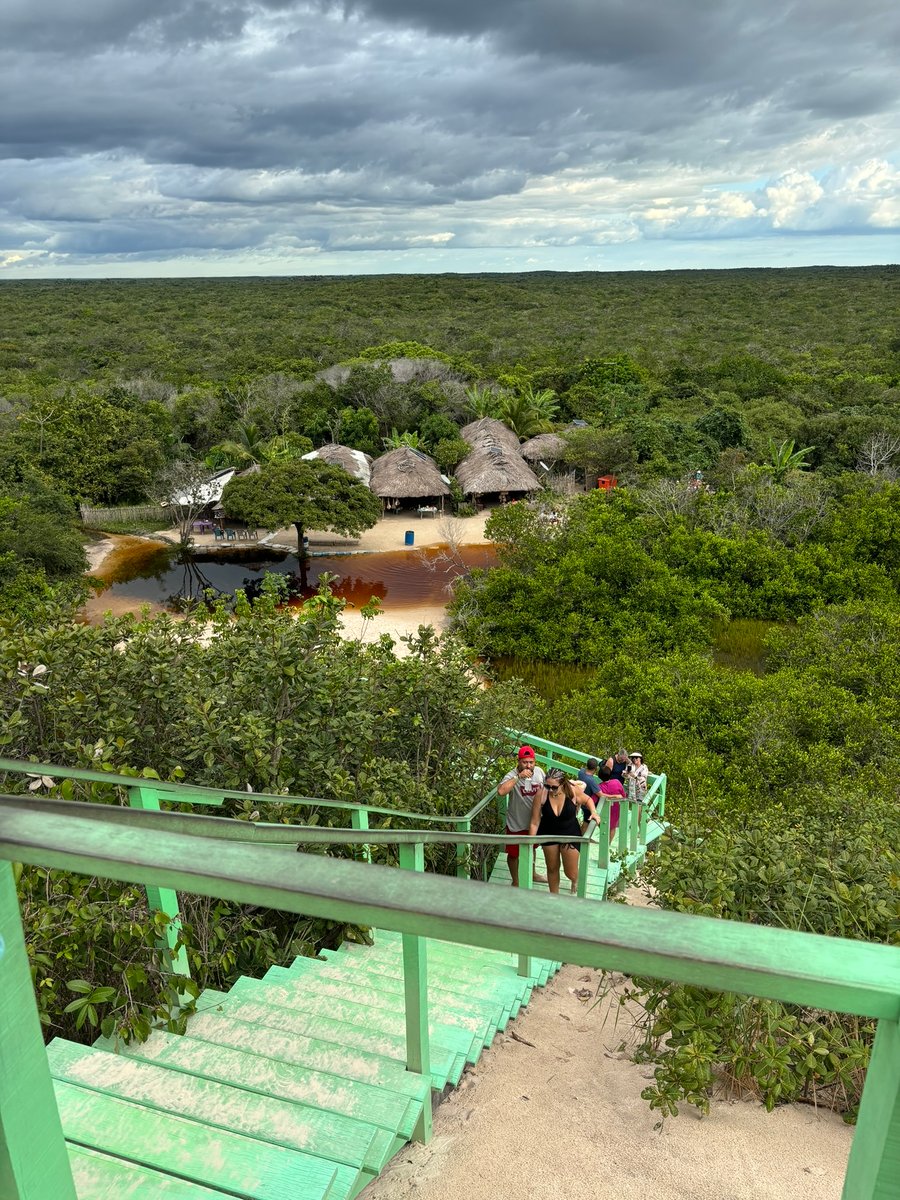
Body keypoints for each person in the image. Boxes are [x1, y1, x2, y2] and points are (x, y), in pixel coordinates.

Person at [529, 768, 595, 894]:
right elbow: (534, 821)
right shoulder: (541, 794)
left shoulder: (572, 791)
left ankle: (575, 880)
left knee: (570, 872)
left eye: (554, 787)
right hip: (548, 832)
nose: (550, 790)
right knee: (552, 868)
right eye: (547, 786)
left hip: (570, 832)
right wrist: (530, 842)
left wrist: (594, 812)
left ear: (563, 784)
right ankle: (554, 897)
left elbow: (588, 800)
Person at [497, 745, 547, 886]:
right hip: (516, 822)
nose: (528, 765)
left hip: (534, 821)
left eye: (531, 762)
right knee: (513, 854)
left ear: (535, 761)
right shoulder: (512, 775)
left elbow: (548, 789)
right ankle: (516, 881)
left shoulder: (539, 772)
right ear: (519, 761)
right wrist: (518, 777)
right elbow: (501, 791)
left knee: (532, 848)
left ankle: (533, 874)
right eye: (525, 762)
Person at [598, 763, 625, 835]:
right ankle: (608, 844)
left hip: (604, 809)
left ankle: (604, 841)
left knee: (603, 825)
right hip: (616, 808)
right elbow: (623, 795)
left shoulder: (599, 787)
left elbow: (595, 799)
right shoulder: (617, 782)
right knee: (613, 827)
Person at [577, 757, 602, 829]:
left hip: (580, 799)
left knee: (585, 820)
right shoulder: (591, 781)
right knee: (586, 822)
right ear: (596, 768)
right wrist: (615, 795)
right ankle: (582, 838)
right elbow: (600, 794)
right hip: (587, 804)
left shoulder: (581, 772)